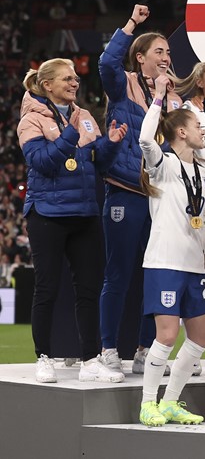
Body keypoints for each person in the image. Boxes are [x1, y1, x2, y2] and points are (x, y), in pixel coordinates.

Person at [18, 59, 128, 383]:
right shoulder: (31, 120)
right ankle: (44, 357)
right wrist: (69, 134)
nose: (75, 82)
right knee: (47, 288)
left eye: (76, 78)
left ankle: (91, 359)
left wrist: (110, 143)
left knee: (89, 290)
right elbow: (42, 163)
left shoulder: (84, 116)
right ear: (47, 84)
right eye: (67, 78)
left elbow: (97, 164)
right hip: (47, 214)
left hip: (84, 212)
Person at [98, 4, 184, 375]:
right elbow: (105, 64)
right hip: (125, 192)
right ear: (140, 57)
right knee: (118, 275)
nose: (166, 57)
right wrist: (132, 24)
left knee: (155, 274)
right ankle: (108, 349)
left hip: (160, 201)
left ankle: (146, 348)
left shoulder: (174, 99)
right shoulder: (124, 84)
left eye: (168, 52)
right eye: (159, 51)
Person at [137, 75, 205, 427]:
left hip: (194, 264)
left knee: (200, 337)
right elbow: (145, 138)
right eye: (197, 126)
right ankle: (147, 404)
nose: (202, 130)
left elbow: (203, 217)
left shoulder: (201, 171)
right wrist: (158, 97)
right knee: (168, 336)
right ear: (182, 133)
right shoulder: (164, 166)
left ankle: (171, 401)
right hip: (165, 261)